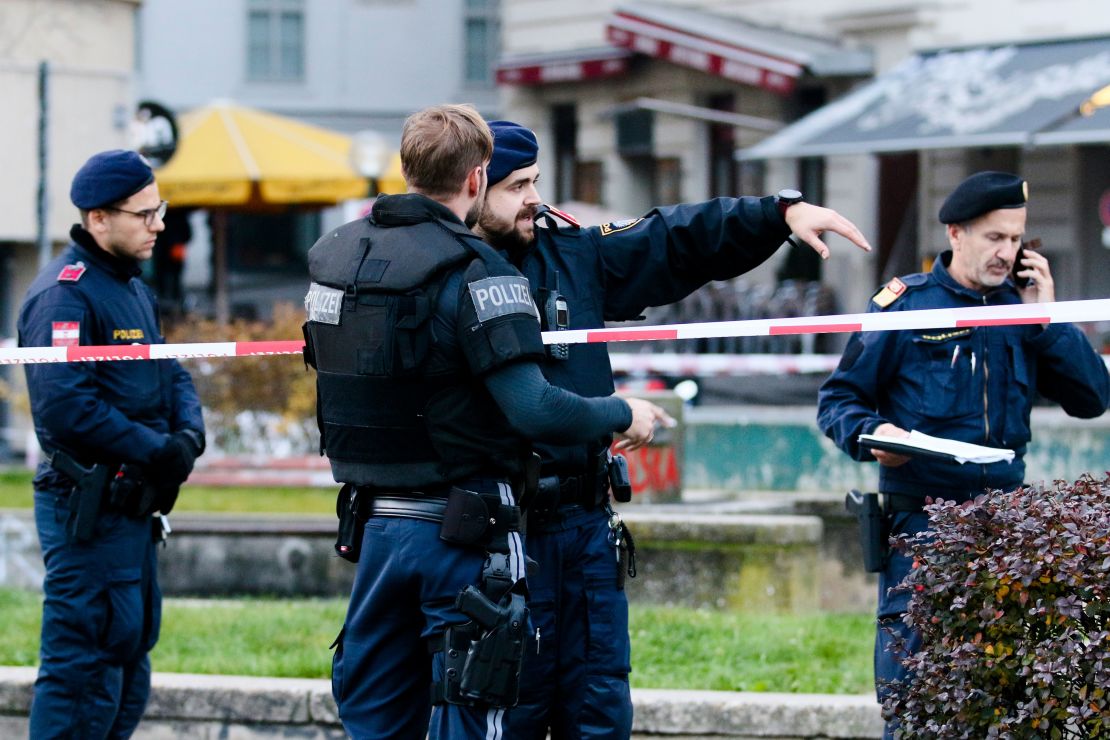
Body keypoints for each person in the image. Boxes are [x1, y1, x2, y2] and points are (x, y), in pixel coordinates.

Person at [472, 119, 873, 739]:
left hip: (582, 530)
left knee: (600, 711)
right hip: (500, 538)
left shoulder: (569, 252)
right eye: (516, 186)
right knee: (508, 713)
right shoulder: (450, 270)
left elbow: (671, 238)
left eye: (535, 181)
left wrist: (776, 214)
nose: (534, 198)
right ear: (473, 187)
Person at [302, 104, 670, 740]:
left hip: (375, 528)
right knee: (477, 708)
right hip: (460, 534)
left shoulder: (337, 255)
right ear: (476, 179)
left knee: (381, 717)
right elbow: (535, 407)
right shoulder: (480, 269)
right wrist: (621, 411)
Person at [816, 171, 1110, 738]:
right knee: (913, 690)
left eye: (1015, 239)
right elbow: (840, 400)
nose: (1007, 252)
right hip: (922, 523)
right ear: (956, 232)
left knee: (1004, 691)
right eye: (993, 238)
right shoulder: (908, 306)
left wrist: (1046, 319)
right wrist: (873, 437)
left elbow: (1092, 398)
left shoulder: (1020, 308)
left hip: (1006, 526)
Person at [17, 149, 206, 738]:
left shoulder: (130, 286)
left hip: (133, 508)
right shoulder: (65, 296)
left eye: (160, 210)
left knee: (128, 656)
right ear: (98, 218)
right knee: (84, 669)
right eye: (144, 214)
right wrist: (156, 449)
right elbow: (66, 406)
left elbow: (170, 371)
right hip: (90, 508)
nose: (159, 225)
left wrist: (186, 439)